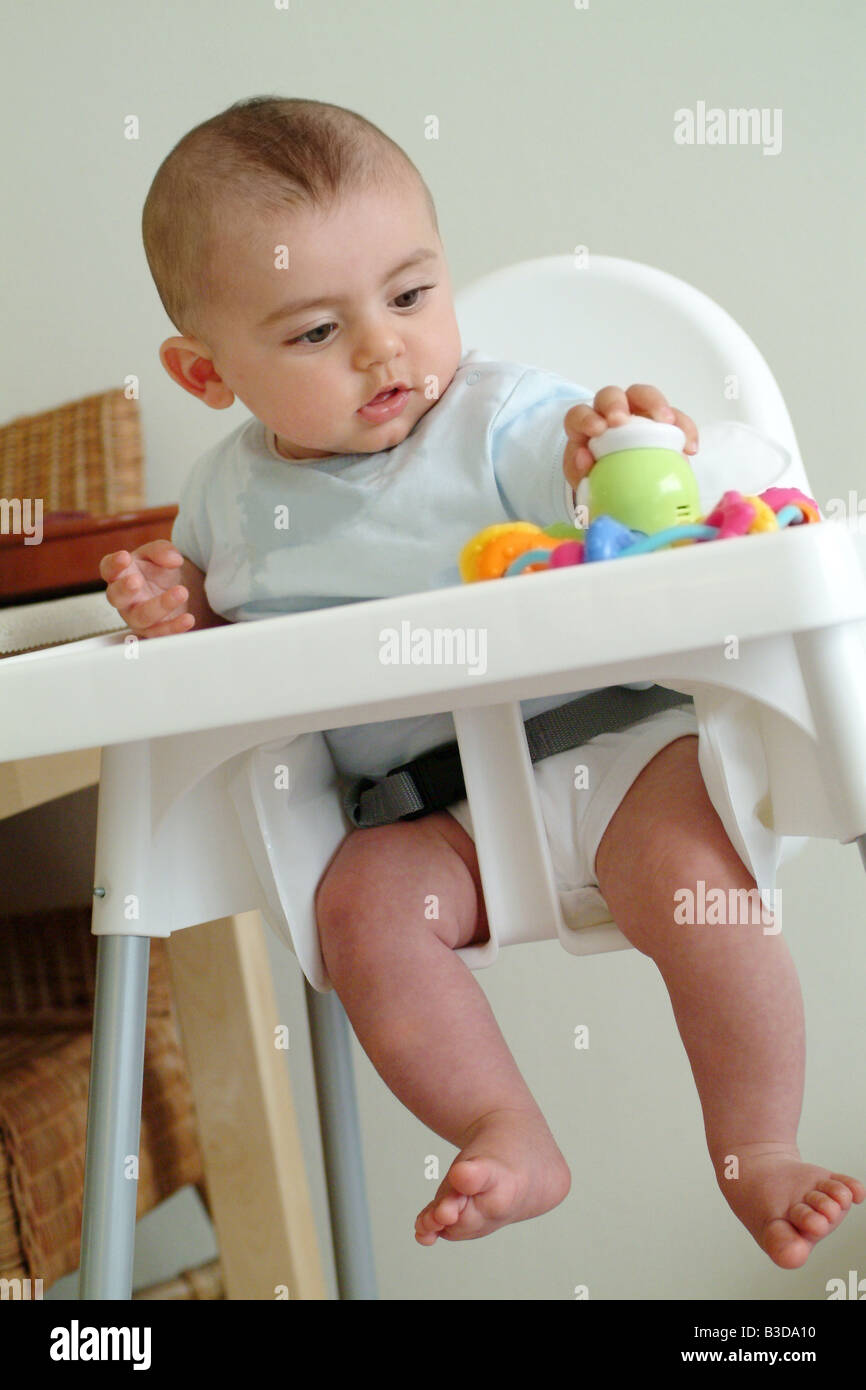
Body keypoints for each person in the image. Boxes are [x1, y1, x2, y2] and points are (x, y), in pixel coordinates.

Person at [101, 96, 863, 1265]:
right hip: (421, 816)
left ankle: (754, 1146)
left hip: (607, 753)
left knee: (697, 894)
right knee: (353, 915)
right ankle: (502, 1127)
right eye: (314, 332)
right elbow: (225, 618)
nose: (382, 347)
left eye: (409, 296)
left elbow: (613, 495)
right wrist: (182, 608)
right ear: (205, 372)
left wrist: (617, 447)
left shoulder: (504, 416)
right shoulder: (221, 499)